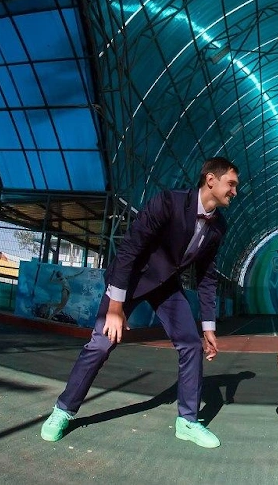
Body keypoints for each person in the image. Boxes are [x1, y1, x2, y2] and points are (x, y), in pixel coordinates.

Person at [40, 157, 239, 448]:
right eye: (231, 184)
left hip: (166, 285)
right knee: (101, 343)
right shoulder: (169, 202)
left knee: (191, 344)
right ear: (211, 180)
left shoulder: (219, 226)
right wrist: (115, 308)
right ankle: (63, 410)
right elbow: (130, 248)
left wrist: (208, 327)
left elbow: (206, 276)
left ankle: (187, 422)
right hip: (131, 278)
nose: (235, 191)